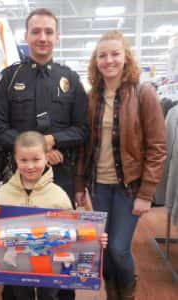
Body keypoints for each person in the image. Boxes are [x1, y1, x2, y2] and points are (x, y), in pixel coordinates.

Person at [0, 9, 88, 300]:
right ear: (26, 36)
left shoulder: (70, 79)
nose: (42, 38)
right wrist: (36, 152)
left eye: (48, 32)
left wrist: (54, 141)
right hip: (18, 179)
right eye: (36, 32)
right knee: (15, 254)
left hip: (59, 181)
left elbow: (82, 129)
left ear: (57, 37)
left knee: (59, 257)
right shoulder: (9, 78)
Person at [0, 131, 108, 300]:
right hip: (14, 270)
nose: (30, 166)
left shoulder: (59, 196)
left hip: (49, 270)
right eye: (24, 160)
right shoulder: (3, 194)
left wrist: (95, 240)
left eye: (36, 159)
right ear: (15, 159)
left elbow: (72, 236)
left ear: (46, 157)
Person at [75, 30, 167, 300]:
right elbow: (84, 146)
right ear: (96, 61)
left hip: (129, 189)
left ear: (126, 57)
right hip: (98, 185)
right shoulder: (91, 97)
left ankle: (127, 292)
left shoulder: (144, 94)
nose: (109, 60)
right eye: (102, 55)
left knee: (118, 248)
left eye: (115, 54)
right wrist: (80, 185)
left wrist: (147, 193)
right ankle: (113, 293)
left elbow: (157, 147)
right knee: (102, 247)